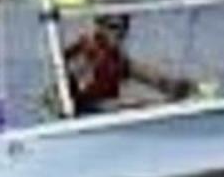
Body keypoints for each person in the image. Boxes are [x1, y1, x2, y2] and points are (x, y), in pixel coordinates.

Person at [61, 13, 194, 115]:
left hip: (104, 115)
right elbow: (75, 94)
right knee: (133, 105)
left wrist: (172, 86)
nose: (120, 34)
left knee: (140, 103)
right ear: (99, 28)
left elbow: (145, 75)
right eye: (114, 27)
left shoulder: (116, 58)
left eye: (125, 28)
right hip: (84, 117)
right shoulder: (86, 52)